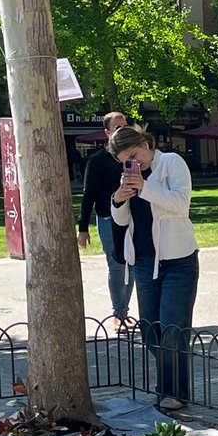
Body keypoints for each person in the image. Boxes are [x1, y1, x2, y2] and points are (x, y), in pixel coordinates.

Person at [108, 126, 199, 413]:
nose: (133, 163)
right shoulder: (129, 176)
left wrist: (145, 187)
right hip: (144, 261)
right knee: (150, 329)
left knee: (172, 327)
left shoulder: (171, 162)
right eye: (125, 160)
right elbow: (122, 221)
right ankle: (168, 387)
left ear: (147, 144)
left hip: (178, 259)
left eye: (134, 155)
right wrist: (118, 199)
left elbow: (181, 204)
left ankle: (173, 393)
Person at [77, 111, 135, 333]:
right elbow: (88, 195)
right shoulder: (98, 160)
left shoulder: (133, 157)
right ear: (107, 132)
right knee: (117, 265)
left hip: (133, 217)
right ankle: (118, 314)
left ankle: (124, 311)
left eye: (125, 127)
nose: (122, 131)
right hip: (108, 218)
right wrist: (83, 228)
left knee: (132, 264)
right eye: (117, 128)